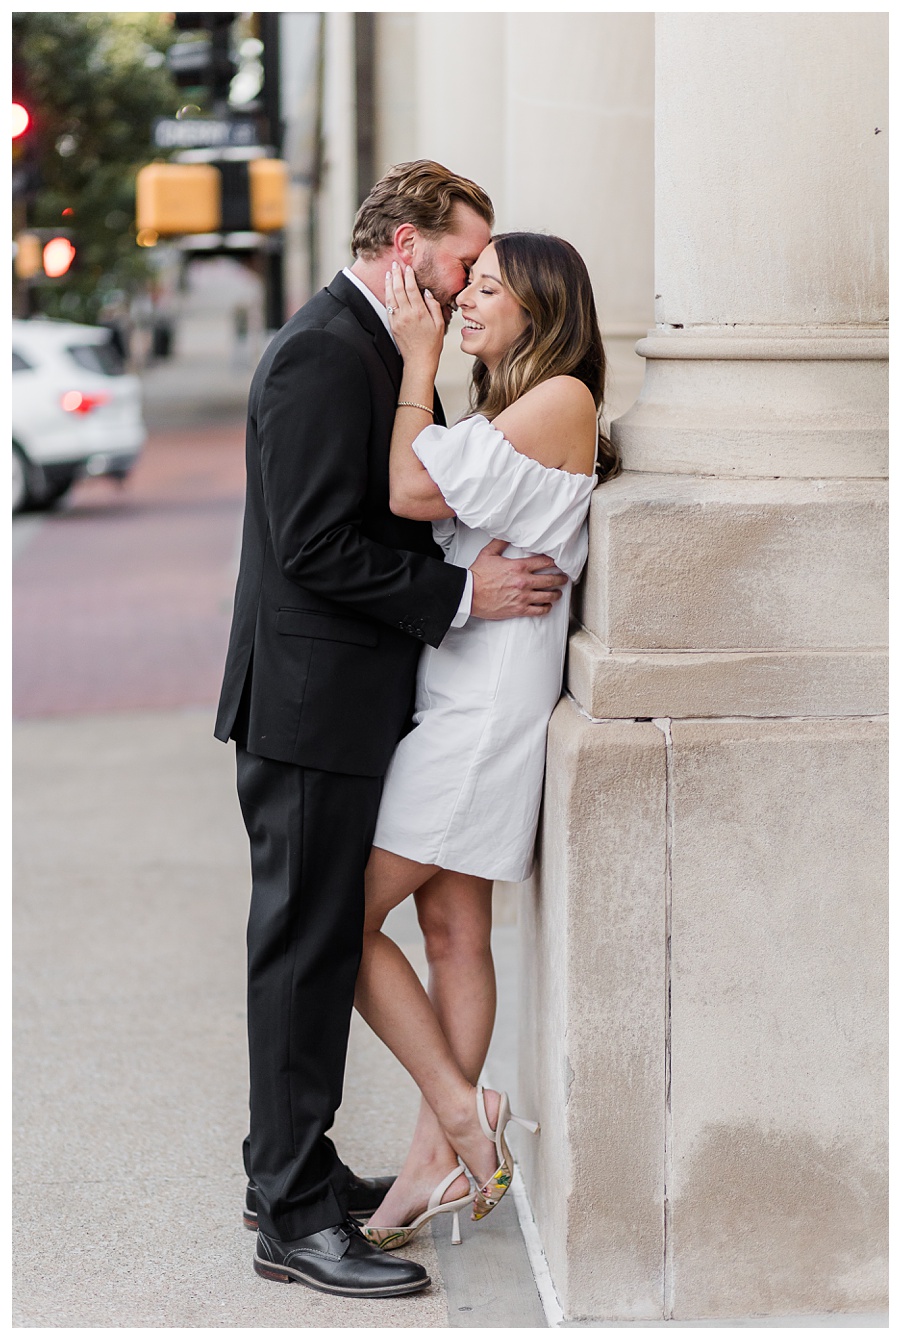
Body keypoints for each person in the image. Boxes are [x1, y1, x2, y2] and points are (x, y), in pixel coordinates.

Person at [214, 162, 570, 1298]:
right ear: (406, 245)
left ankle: (295, 1172)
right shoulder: (328, 348)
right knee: (306, 945)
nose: (469, 283)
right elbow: (316, 544)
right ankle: (292, 1217)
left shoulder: (373, 346)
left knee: (320, 937)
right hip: (311, 708)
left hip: (348, 705)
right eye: (465, 259)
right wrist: (463, 599)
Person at [348, 232, 620, 1248]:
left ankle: (461, 1116)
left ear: (540, 311)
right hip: (462, 687)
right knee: (453, 928)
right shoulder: (513, 405)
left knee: (341, 913)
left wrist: (415, 365)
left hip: (484, 709)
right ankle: (435, 1153)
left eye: (488, 286)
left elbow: (411, 491)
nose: (464, 296)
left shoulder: (561, 399)